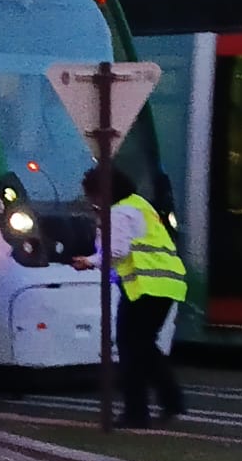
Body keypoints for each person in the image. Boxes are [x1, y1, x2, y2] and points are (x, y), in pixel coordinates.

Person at [74, 164, 188, 429]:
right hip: (165, 284)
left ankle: (137, 412)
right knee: (143, 345)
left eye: (93, 195)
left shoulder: (119, 212)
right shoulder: (139, 205)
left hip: (147, 286)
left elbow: (117, 251)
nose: (92, 201)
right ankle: (171, 400)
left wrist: (89, 261)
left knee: (130, 347)